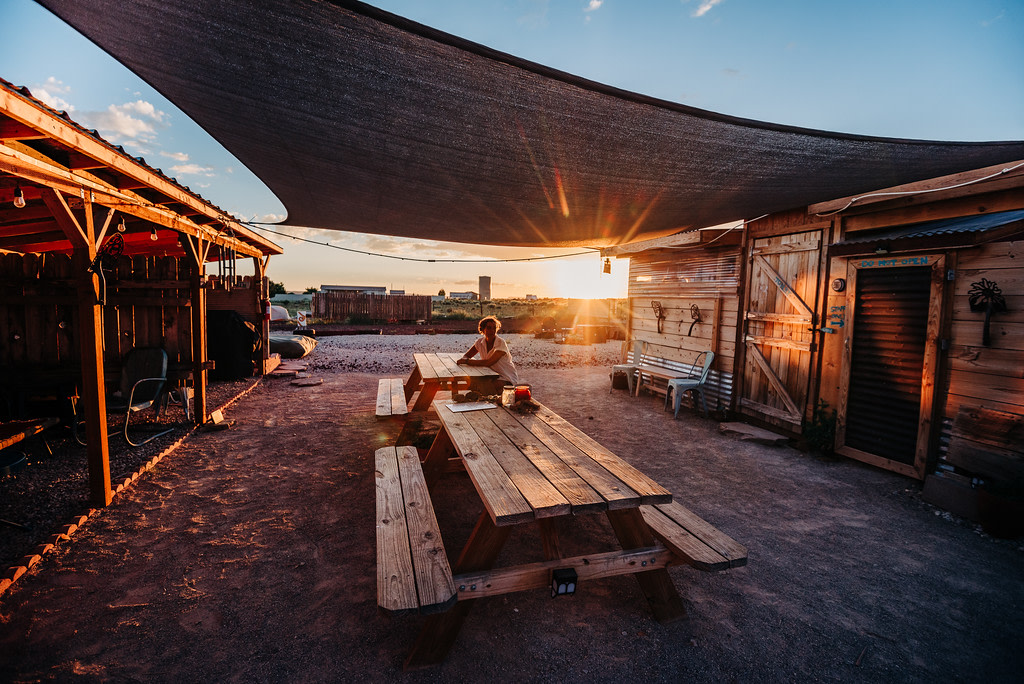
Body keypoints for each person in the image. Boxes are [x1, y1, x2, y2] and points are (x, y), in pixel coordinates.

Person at [456, 315, 520, 395]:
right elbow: (466, 356)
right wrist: (467, 363)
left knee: (486, 387)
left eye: (494, 328)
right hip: (489, 375)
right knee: (473, 384)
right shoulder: (479, 342)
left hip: (506, 377)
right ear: (482, 330)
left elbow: (488, 362)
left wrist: (467, 362)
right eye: (489, 328)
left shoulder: (500, 343)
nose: (492, 330)